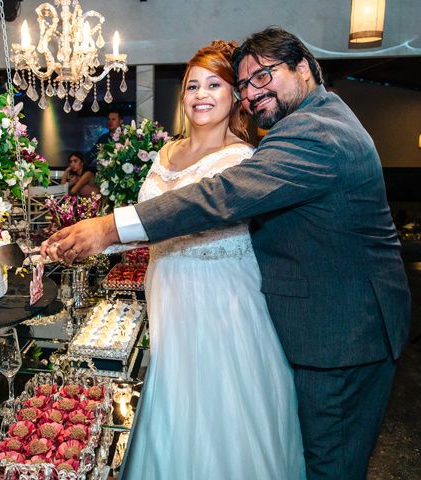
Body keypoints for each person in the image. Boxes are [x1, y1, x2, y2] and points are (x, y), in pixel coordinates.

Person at [43, 27, 411, 480]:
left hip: (338, 331)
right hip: (308, 318)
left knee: (329, 462)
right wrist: (98, 238)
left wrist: (107, 226)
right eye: (246, 84)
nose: (254, 93)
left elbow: (220, 197)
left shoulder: (314, 132)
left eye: (263, 77)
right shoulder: (311, 120)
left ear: (305, 67)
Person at [118, 40, 305, 479]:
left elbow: (192, 217)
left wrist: (106, 234)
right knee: (172, 399)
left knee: (218, 409)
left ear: (235, 96)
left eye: (214, 84)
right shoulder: (165, 153)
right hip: (166, 291)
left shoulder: (243, 158)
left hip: (222, 303)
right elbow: (149, 222)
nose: (201, 94)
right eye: (192, 86)